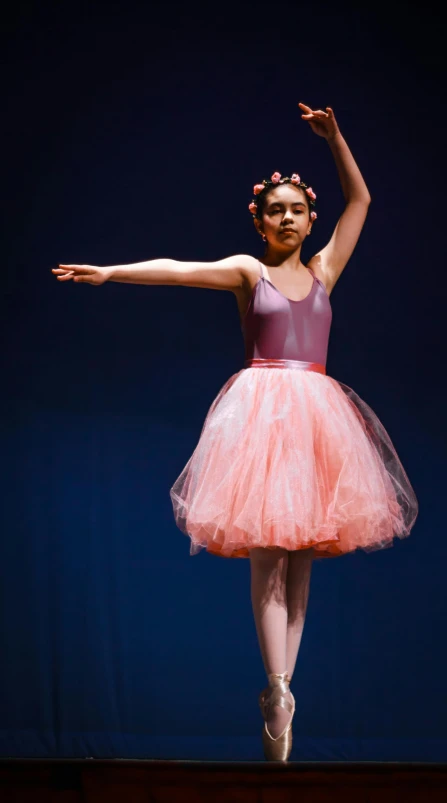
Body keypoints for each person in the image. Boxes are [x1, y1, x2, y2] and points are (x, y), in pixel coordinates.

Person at [52, 102, 418, 762]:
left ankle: (285, 692)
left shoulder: (325, 271)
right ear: (260, 221)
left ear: (309, 220)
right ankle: (275, 685)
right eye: (274, 209)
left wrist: (336, 139)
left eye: (296, 210)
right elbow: (180, 268)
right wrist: (112, 272)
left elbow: (360, 199)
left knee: (302, 553)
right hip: (261, 412)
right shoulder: (250, 273)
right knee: (266, 551)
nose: (286, 218)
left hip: (317, 418)